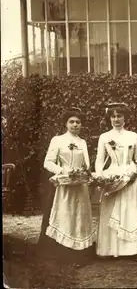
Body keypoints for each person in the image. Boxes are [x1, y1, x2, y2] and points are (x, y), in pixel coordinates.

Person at [95, 102, 137, 258]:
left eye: (119, 116)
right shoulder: (104, 137)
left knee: (131, 212)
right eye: (113, 116)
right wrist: (101, 176)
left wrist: (135, 171)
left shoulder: (132, 136)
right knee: (113, 212)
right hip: (113, 176)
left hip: (131, 176)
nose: (116, 119)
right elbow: (100, 160)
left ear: (125, 118)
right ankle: (111, 249)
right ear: (109, 118)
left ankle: (134, 250)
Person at [38, 107, 95, 264]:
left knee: (79, 216)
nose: (75, 125)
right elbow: (47, 162)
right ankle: (62, 252)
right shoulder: (58, 140)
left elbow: (86, 164)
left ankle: (80, 252)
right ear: (66, 123)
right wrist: (62, 170)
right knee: (65, 215)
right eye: (72, 121)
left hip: (80, 186)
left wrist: (84, 173)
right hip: (64, 185)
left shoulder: (82, 142)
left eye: (78, 122)